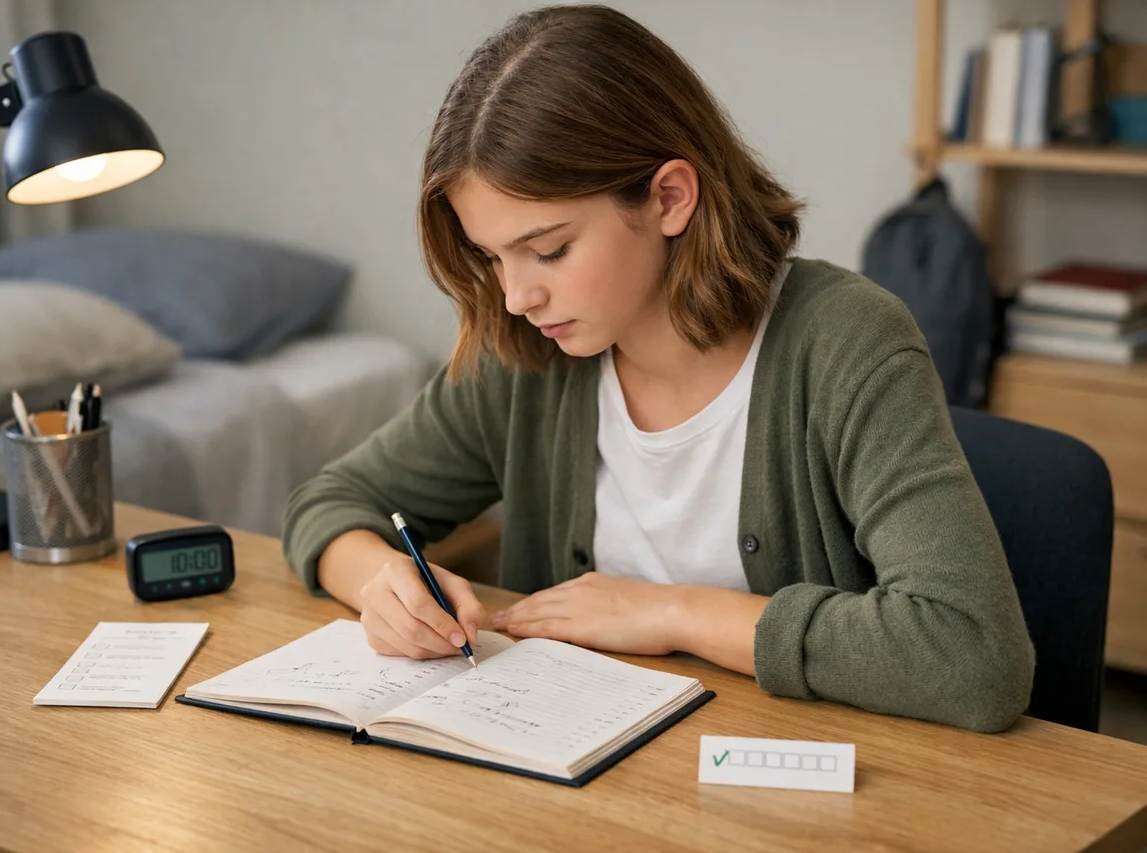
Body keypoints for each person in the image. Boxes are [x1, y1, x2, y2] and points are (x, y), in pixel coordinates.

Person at [283, 4, 1034, 732]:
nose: (516, 295)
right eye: (492, 256)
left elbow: (973, 655)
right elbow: (332, 500)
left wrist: (673, 609)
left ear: (670, 197)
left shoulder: (846, 343)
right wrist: (379, 581)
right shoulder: (530, 355)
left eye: (548, 250)